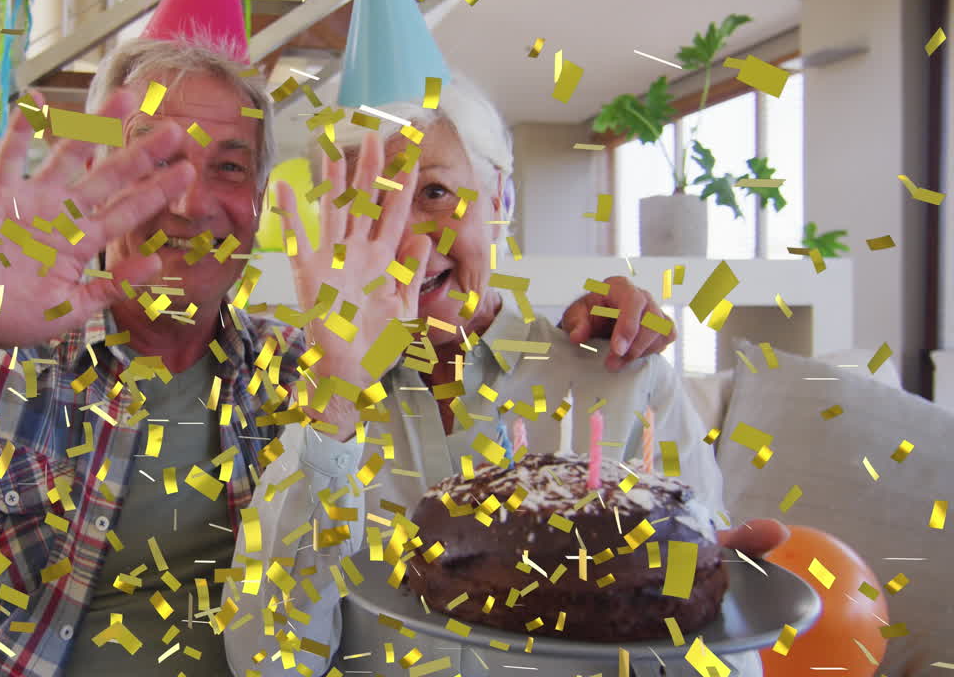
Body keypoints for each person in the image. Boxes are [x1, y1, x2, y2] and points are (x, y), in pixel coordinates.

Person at [0, 0, 676, 677]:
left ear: (263, 211)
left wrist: (598, 334)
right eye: (153, 153)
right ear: (92, 175)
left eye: (231, 167)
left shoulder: (305, 372)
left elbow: (478, 425)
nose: (190, 199)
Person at [225, 73, 788, 676]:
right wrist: (333, 401)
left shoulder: (622, 376)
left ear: (499, 205)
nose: (407, 242)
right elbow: (270, 664)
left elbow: (716, 648)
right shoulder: (303, 398)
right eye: (371, 212)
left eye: (434, 193)